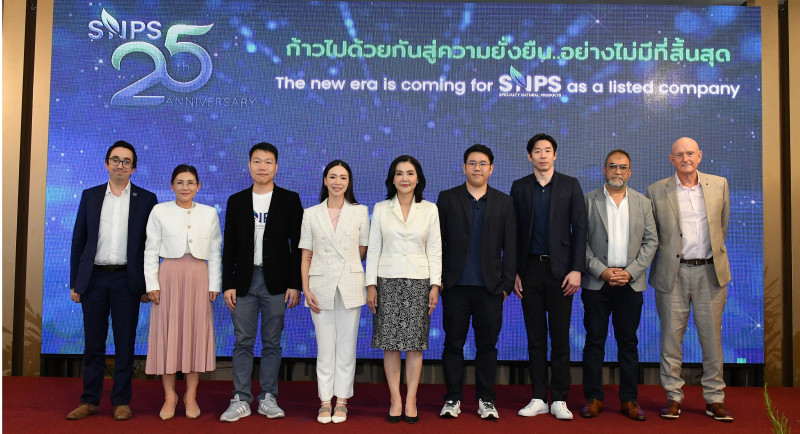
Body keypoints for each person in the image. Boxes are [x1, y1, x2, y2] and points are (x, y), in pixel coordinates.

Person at [67, 141, 158, 421]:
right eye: (115, 160)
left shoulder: (147, 199)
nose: (120, 165)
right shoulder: (90, 196)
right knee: (93, 344)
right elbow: (79, 240)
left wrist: (147, 284)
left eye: (126, 161)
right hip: (93, 279)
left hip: (126, 281)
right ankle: (89, 400)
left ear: (134, 168)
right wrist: (75, 283)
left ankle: (121, 401)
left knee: (125, 344)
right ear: (106, 163)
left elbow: (151, 246)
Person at [646, 137, 733, 422]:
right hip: (673, 273)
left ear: (700, 156)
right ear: (671, 160)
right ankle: (673, 397)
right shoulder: (656, 190)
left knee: (712, 340)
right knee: (671, 340)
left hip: (710, 273)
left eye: (690, 154)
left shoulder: (719, 184)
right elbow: (653, 235)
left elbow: (722, 227)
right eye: (680, 155)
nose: (686, 159)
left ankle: (714, 399)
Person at [219, 142, 303, 422]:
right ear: (249, 165)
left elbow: (298, 245)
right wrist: (228, 284)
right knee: (243, 341)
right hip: (244, 281)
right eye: (257, 161)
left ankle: (268, 396)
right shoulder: (237, 201)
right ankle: (241, 398)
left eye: (268, 162)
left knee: (272, 342)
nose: (262, 167)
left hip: (277, 282)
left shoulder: (289, 199)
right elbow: (229, 246)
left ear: (276, 167)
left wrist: (295, 283)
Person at [510, 133, 587, 420]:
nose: (543, 155)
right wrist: (513, 271)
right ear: (529, 156)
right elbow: (512, 232)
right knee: (535, 337)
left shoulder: (570, 185)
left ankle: (560, 399)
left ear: (555, 155)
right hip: (529, 271)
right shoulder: (520, 187)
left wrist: (577, 269)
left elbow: (580, 229)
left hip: (561, 273)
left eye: (547, 150)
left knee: (560, 337)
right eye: (537, 151)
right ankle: (539, 397)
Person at [437, 144, 516, 420]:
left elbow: (511, 247)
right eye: (472, 163)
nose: (477, 168)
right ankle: (452, 399)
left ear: (491, 169)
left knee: (487, 347)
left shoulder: (504, 202)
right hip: (455, 287)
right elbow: (437, 243)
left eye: (483, 163)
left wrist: (506, 285)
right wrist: (439, 280)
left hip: (490, 289)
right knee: (453, 345)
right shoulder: (447, 198)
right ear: (464, 167)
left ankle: (486, 399)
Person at [580, 150, 657, 421]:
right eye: (612, 166)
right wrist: (601, 271)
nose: (617, 171)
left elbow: (651, 241)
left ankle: (629, 400)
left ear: (630, 172)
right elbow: (580, 242)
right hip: (596, 283)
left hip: (630, 284)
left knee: (628, 343)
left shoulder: (643, 203)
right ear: (604, 170)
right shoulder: (588, 201)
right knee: (594, 342)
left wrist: (631, 272)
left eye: (623, 167)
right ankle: (593, 398)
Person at [365, 155, 442, 424]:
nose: (405, 178)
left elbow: (435, 249)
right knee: (390, 345)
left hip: (419, 282)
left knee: (414, 346)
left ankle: (411, 399)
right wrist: (371, 285)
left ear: (418, 178)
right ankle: (395, 399)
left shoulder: (430, 209)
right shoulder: (381, 208)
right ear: (392, 179)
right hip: (387, 281)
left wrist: (435, 285)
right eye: (399, 173)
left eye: (410, 173)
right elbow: (374, 248)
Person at [143, 164, 221, 420]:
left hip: (199, 276)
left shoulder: (209, 213)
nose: (185, 187)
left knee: (194, 334)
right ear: (171, 186)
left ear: (198, 186)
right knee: (168, 335)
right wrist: (152, 284)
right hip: (168, 276)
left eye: (190, 182)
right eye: (179, 182)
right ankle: (169, 396)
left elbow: (215, 251)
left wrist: (214, 284)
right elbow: (150, 249)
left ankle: (191, 395)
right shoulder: (159, 211)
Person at [299, 160, 370, 424]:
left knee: (347, 346)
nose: (337, 182)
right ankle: (324, 401)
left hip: (350, 284)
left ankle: (342, 401)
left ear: (349, 182)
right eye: (332, 177)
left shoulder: (360, 212)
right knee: (325, 347)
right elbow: (306, 255)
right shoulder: (311, 213)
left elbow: (362, 251)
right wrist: (306, 289)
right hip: (320, 286)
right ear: (325, 181)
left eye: (343, 177)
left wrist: (344, 264)